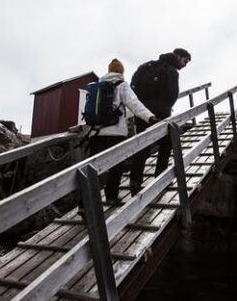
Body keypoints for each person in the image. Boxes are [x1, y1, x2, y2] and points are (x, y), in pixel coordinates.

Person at [80, 58, 158, 206]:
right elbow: (134, 104)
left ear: (109, 70)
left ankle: (83, 205)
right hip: (115, 133)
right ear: (121, 72)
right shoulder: (122, 85)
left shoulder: (96, 86)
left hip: (95, 134)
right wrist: (150, 117)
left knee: (92, 169)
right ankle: (111, 196)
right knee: (116, 166)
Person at [128, 48, 191, 194]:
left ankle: (135, 181)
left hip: (142, 113)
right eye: (185, 61)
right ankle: (160, 178)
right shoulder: (172, 72)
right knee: (166, 143)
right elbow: (172, 94)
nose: (185, 65)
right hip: (161, 114)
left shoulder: (146, 66)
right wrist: (164, 108)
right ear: (177, 56)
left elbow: (133, 85)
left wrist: (142, 106)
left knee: (142, 146)